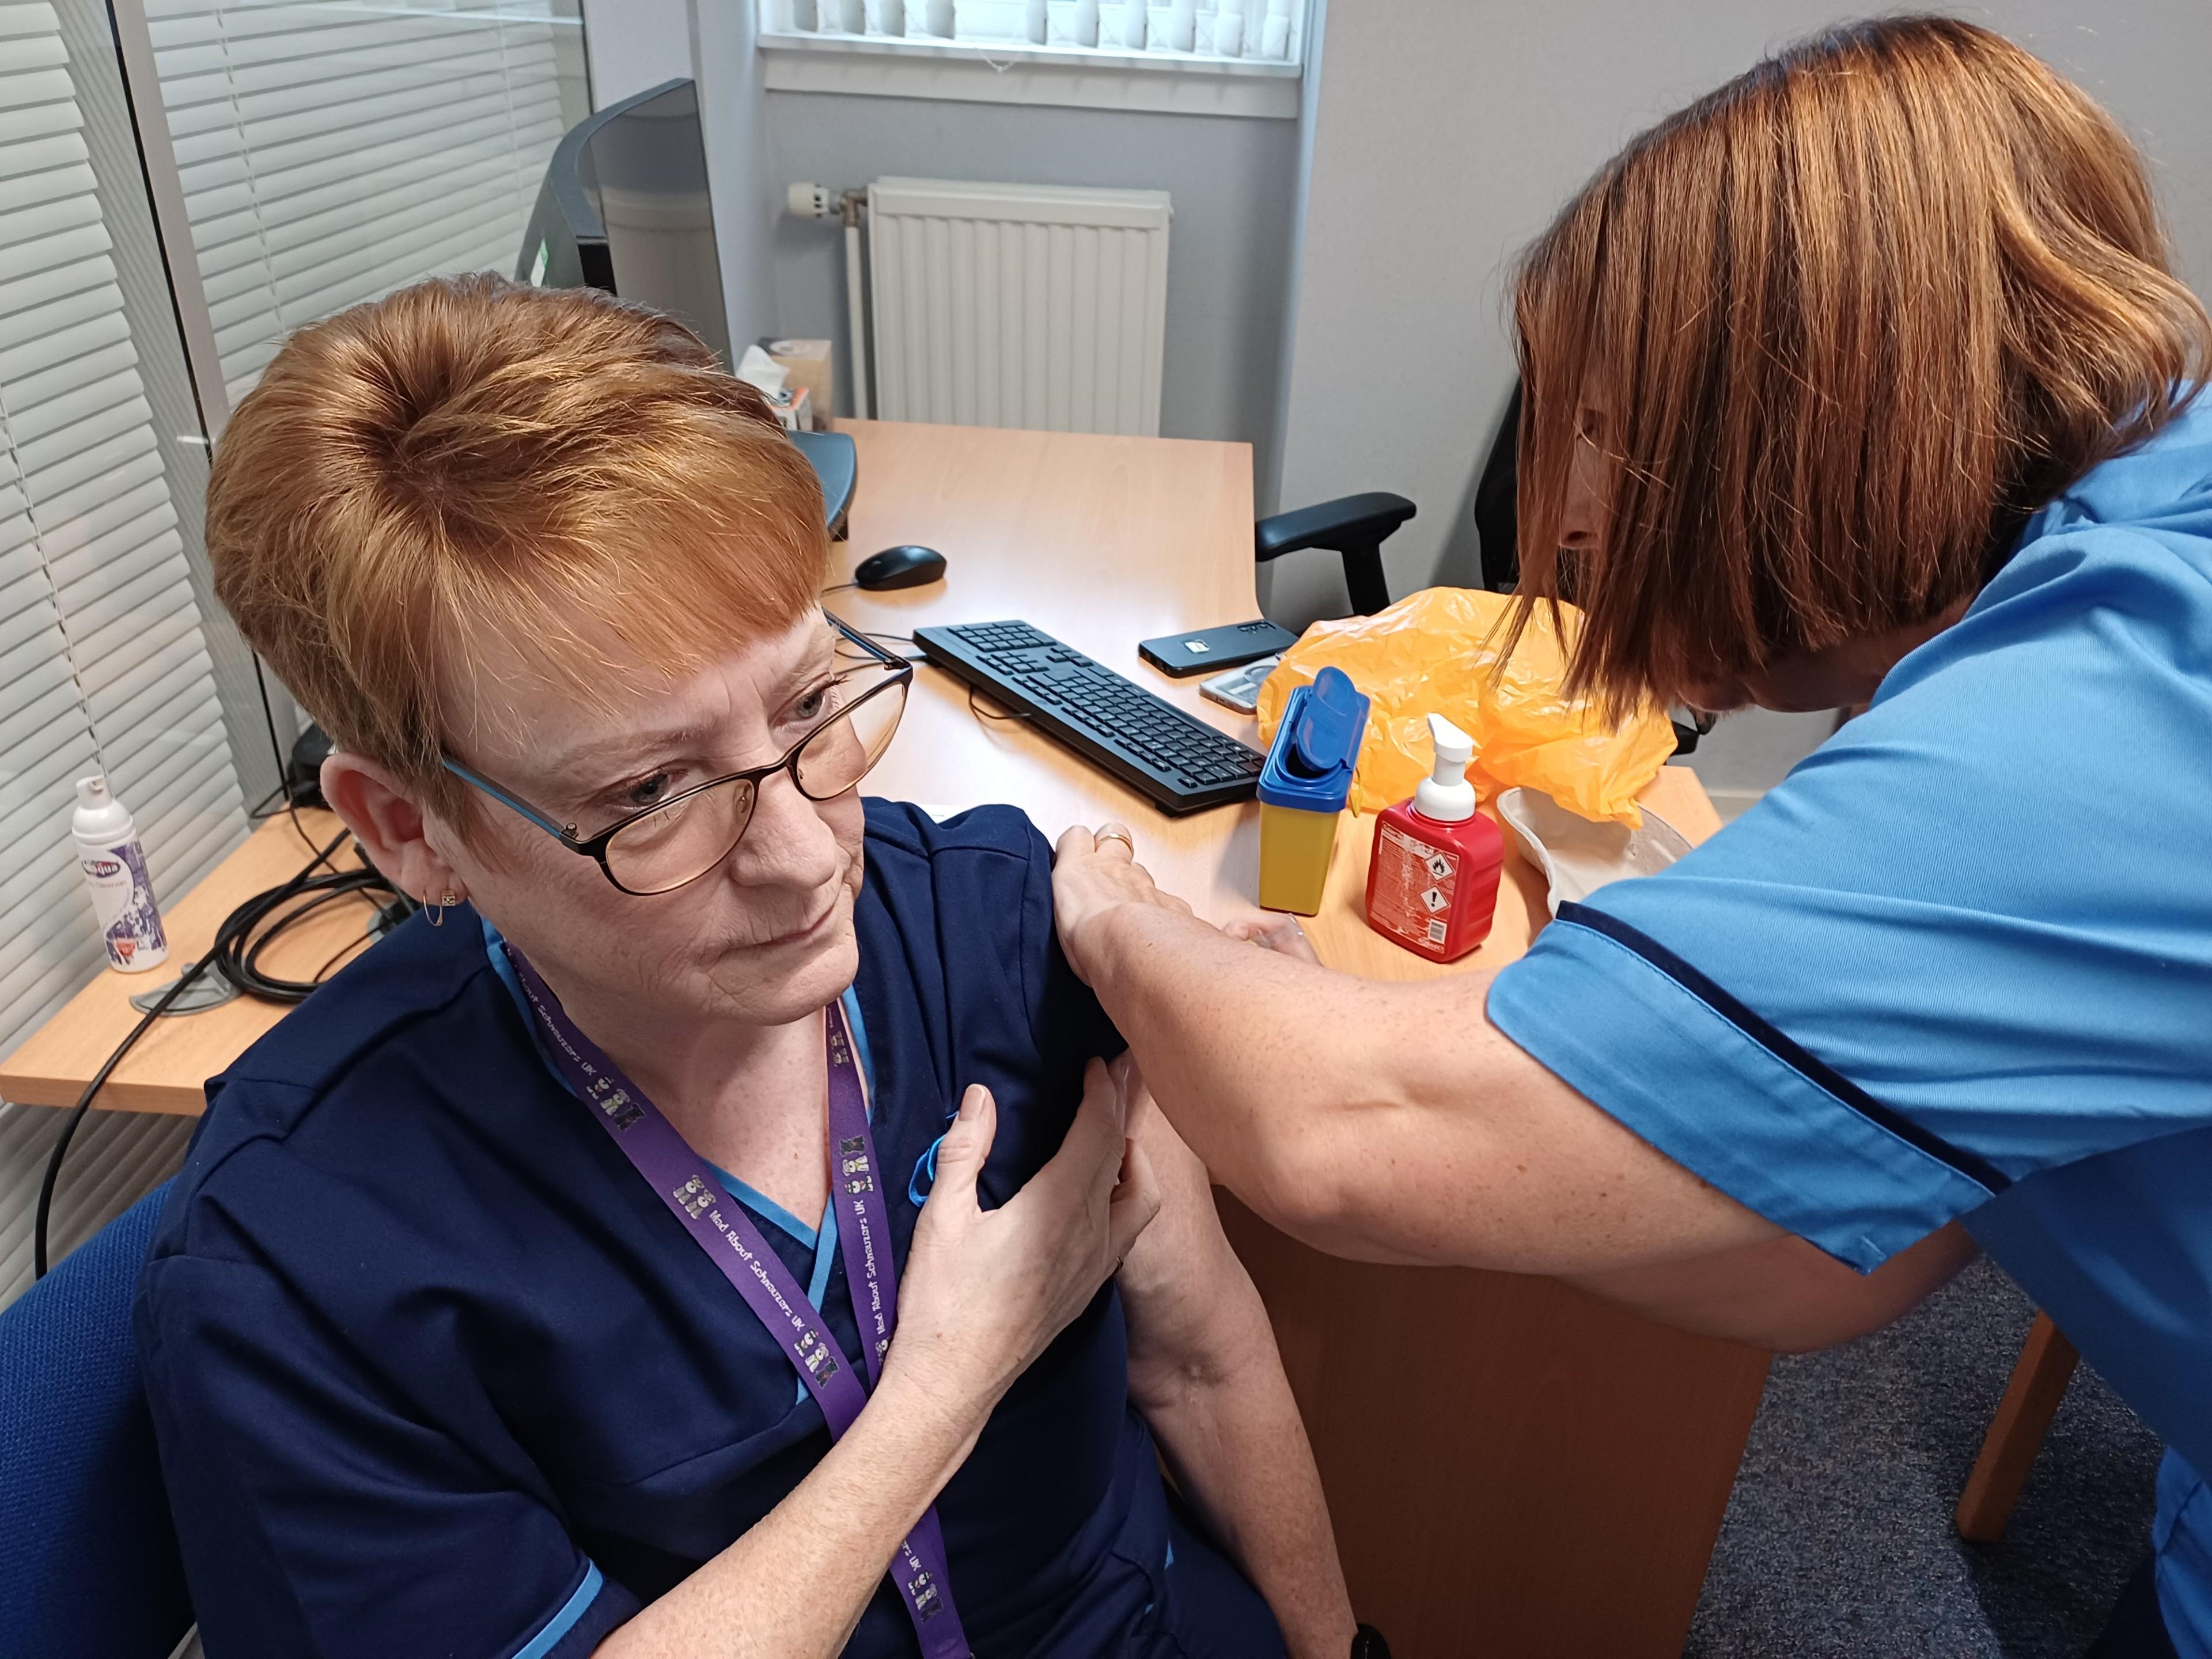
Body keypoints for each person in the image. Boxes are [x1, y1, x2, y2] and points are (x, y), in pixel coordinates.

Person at [1048, 18, 2212, 1658]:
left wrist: (1103, 906)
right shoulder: (2122, 550)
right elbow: (1845, 1274)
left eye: (1606, 434)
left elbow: (1345, 1132)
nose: (1574, 520)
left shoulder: (2132, 696)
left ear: (1813, 417)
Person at [134, 276, 1357, 1659]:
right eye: (654, 794)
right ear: (412, 832)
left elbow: (1201, 1359)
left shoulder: (1000, 935)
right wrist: (948, 1382)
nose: (800, 857)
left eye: (806, 702)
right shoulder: (306, 1265)